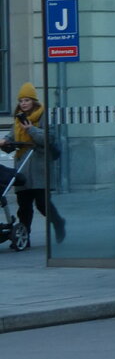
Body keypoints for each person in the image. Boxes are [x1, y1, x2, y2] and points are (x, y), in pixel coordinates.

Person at [0, 82, 66, 245]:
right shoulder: (18, 120)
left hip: (39, 165)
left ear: (33, 102)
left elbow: (49, 138)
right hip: (22, 164)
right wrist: (5, 142)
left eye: (27, 100)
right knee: (24, 205)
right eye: (21, 100)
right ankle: (24, 236)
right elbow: (12, 136)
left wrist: (31, 129)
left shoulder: (43, 116)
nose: (23, 103)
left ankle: (58, 222)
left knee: (42, 203)